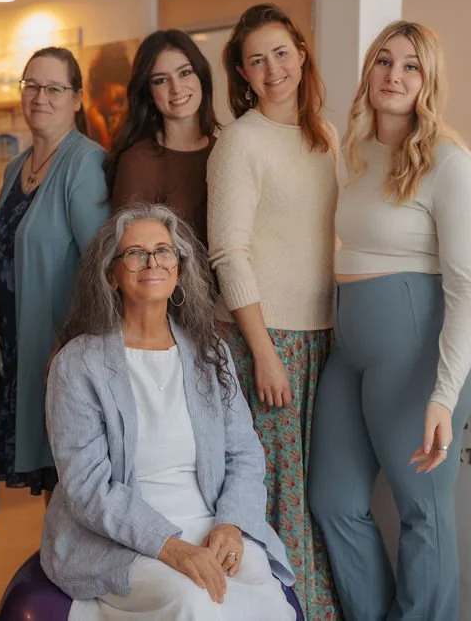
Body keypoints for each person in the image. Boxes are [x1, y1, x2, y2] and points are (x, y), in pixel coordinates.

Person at [307, 20, 471, 621]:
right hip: (350, 354)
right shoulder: (353, 153)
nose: (394, 75)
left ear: (428, 79)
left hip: (415, 359)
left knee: (423, 513)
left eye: (411, 65)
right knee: (331, 501)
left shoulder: (448, 160)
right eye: (384, 61)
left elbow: (466, 287)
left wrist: (444, 392)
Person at [42, 203, 298, 621]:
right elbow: (87, 487)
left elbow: (244, 455)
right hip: (120, 539)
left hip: (211, 524)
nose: (152, 262)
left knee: (267, 598)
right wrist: (170, 546)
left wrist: (231, 524)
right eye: (136, 253)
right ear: (112, 274)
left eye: (163, 251)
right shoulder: (77, 364)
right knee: (194, 601)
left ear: (178, 268)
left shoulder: (210, 352)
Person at [206, 3, 340, 620]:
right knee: (280, 496)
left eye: (281, 52)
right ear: (242, 72)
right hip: (270, 341)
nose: (272, 68)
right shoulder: (240, 141)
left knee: (321, 493)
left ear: (302, 53)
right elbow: (228, 253)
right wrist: (261, 352)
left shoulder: (326, 135)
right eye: (256, 59)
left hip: (327, 339)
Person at [0, 47, 110, 496]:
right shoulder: (16, 166)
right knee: (52, 497)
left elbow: (101, 266)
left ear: (77, 99)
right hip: (18, 351)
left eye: (54, 88)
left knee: (71, 490)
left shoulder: (85, 163)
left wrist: (66, 341)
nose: (40, 97)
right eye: (31, 85)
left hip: (59, 354)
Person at [105, 30, 218, 248]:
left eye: (185, 73)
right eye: (161, 80)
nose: (176, 88)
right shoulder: (139, 162)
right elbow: (132, 257)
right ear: (148, 92)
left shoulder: (225, 151)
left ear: (201, 77)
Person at [85, 41, 132, 149]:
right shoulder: (96, 118)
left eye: (121, 102)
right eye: (117, 98)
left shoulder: (100, 114)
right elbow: (107, 154)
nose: (117, 108)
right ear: (105, 85)